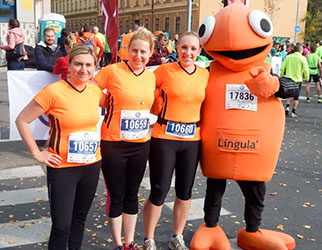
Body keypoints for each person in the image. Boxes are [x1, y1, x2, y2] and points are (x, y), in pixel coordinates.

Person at [15, 44, 105, 250]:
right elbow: (22, 120)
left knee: (79, 219)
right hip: (62, 167)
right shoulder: (53, 91)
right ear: (70, 65)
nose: (84, 69)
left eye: (89, 65)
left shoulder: (95, 91)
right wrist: (37, 153)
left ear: (95, 67)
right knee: (62, 225)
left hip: (91, 165)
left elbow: (120, 102)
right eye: (78, 64)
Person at [142, 31, 209, 250]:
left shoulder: (205, 74)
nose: (188, 53)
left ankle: (176, 236)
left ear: (199, 52)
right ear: (176, 48)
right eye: (184, 48)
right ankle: (149, 239)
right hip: (165, 138)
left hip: (192, 139)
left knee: (185, 191)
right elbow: (141, 88)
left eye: (193, 49)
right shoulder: (164, 70)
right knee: (159, 191)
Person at [94, 28, 156, 250]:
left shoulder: (151, 77)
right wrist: (105, 101)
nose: (138, 56)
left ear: (150, 53)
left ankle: (130, 243)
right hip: (113, 143)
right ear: (127, 51)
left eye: (143, 52)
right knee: (116, 193)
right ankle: (118, 244)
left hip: (140, 144)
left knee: (132, 193)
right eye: (134, 51)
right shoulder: (113, 71)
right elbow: (91, 87)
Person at [280, 43, 309, 117]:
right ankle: (293, 111)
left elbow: (283, 67)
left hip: (289, 78)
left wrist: (281, 75)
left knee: (289, 94)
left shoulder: (288, 57)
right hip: (297, 79)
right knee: (296, 96)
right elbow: (306, 69)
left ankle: (287, 107)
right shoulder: (302, 58)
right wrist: (307, 78)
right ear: (300, 50)